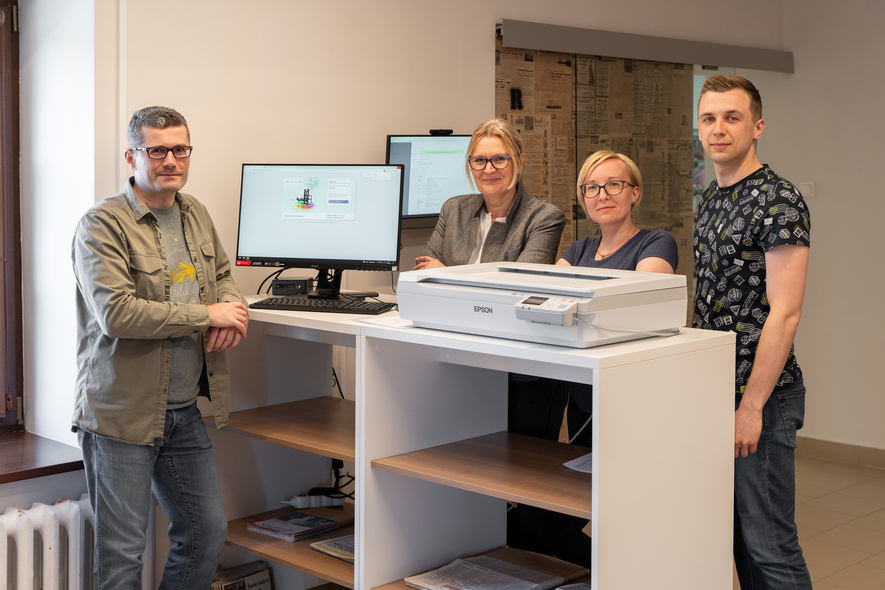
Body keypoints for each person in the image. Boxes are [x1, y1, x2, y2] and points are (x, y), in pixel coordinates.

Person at [71, 106, 250, 589]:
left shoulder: (195, 213)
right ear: (132, 156)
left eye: (180, 149)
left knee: (207, 532)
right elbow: (118, 314)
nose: (171, 160)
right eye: (157, 150)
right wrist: (205, 315)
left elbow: (223, 278)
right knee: (122, 556)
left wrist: (231, 307)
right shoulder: (101, 225)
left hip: (183, 411)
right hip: (121, 414)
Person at [507, 151, 679, 568]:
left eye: (614, 184)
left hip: (629, 401)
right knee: (540, 517)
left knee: (556, 520)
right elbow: (549, 304)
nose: (602, 194)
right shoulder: (579, 247)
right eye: (591, 187)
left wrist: (577, 303)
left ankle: (616, 577)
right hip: (583, 400)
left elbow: (632, 303)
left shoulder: (656, 242)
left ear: (633, 192)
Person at [694, 75, 812, 589]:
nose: (719, 129)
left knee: (770, 545)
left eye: (732, 117)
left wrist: (750, 407)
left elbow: (784, 313)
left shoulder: (779, 200)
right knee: (738, 544)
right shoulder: (711, 198)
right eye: (709, 118)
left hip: (761, 397)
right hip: (714, 392)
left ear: (757, 126)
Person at [411, 117, 565, 269]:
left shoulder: (544, 218)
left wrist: (444, 272)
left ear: (519, 163)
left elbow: (519, 284)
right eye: (479, 160)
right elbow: (422, 270)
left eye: (499, 159)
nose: (489, 170)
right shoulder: (454, 209)